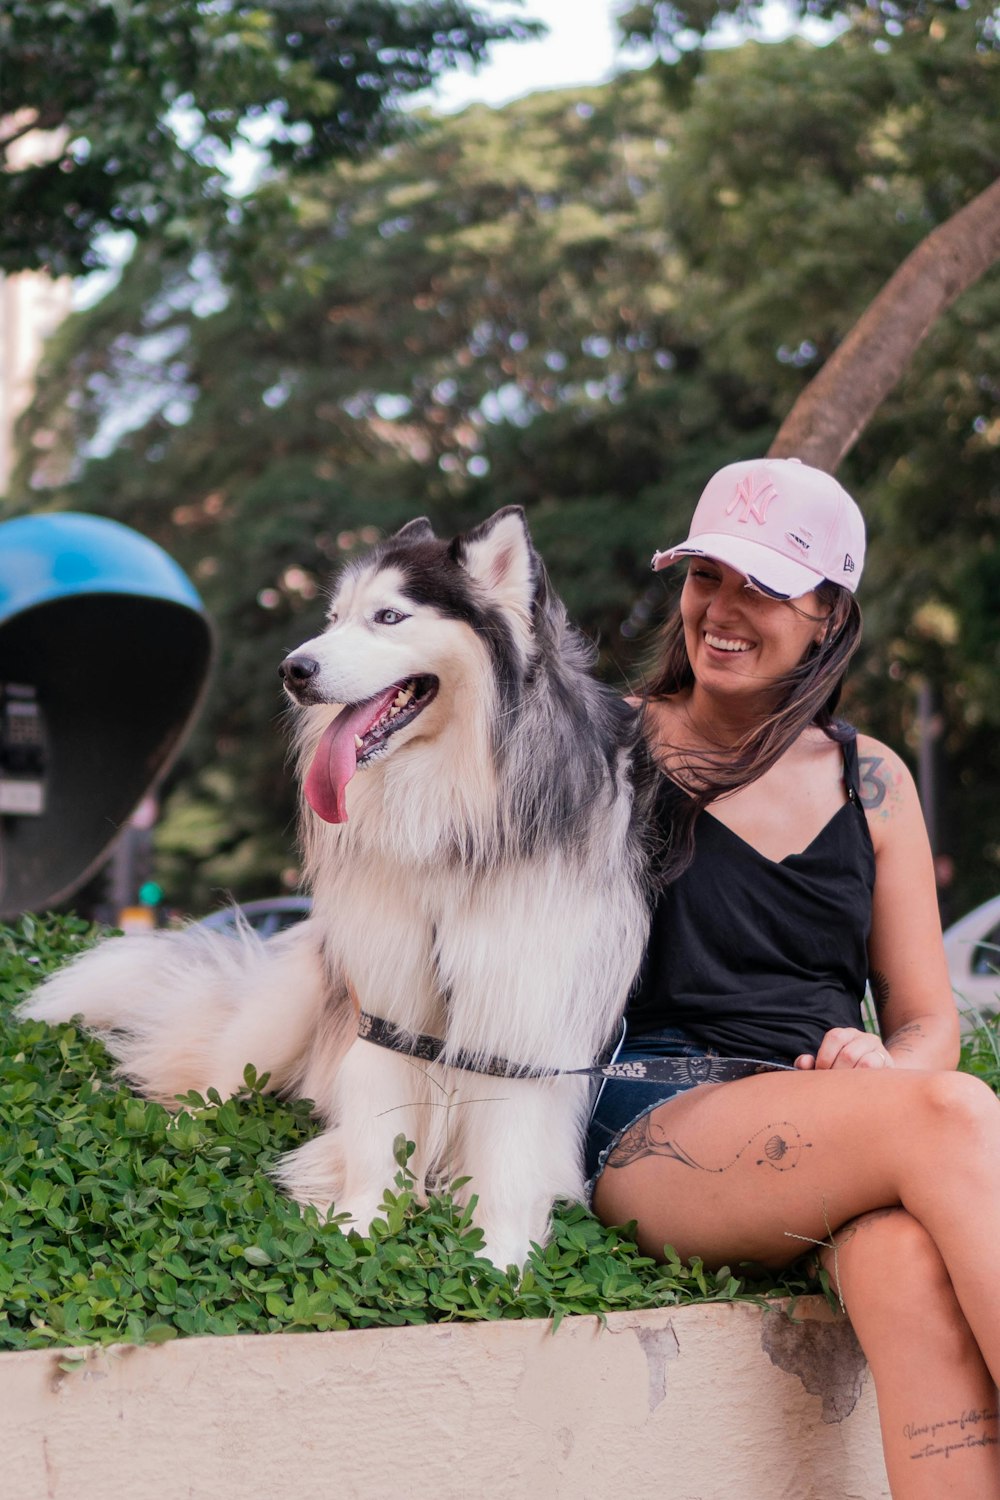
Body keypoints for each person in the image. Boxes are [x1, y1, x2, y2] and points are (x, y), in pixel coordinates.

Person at [586, 457, 999, 1499]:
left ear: (825, 615)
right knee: (950, 1115)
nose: (720, 611)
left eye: (760, 586)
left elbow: (922, 1021)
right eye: (704, 577)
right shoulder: (605, 752)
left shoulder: (873, 781)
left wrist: (878, 1059)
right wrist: (903, 1095)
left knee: (904, 1267)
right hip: (656, 1117)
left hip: (831, 1121)